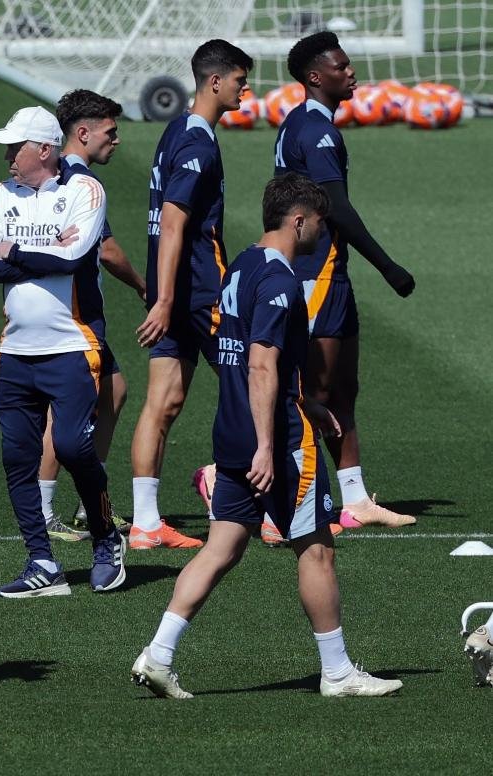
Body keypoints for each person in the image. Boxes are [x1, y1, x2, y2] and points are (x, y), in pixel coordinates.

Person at [130, 174, 402, 699]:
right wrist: (267, 443)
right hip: (274, 439)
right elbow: (260, 365)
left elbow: (239, 353)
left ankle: (157, 654)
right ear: (298, 220)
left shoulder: (241, 267)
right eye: (320, 224)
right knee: (317, 549)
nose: (323, 234)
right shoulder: (279, 281)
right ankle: (338, 672)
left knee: (222, 546)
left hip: (232, 429)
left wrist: (310, 403)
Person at [0, 106, 126, 597]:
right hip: (15, 350)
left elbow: (76, 258)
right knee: (18, 456)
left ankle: (106, 538)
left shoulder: (84, 191)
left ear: (43, 149)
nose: (5, 156)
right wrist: (43, 260)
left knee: (72, 447)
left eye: (13, 147)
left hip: (70, 346)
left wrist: (14, 253)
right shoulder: (1, 194)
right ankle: (42, 561)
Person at [273, 31, 416, 528]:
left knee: (342, 389)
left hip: (333, 274)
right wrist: (389, 266)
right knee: (312, 390)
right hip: (316, 274)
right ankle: (273, 496)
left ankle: (353, 501)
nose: (351, 72)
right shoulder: (315, 132)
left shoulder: (311, 125)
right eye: (342, 66)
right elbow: (335, 208)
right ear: (316, 76)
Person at [129, 39, 253, 551]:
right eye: (241, 81)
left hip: (174, 290)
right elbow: (176, 223)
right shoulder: (200, 144)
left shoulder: (175, 130)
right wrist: (164, 299)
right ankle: (233, 489)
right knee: (253, 385)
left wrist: (162, 293)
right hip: (200, 292)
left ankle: (144, 523)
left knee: (164, 401)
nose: (246, 89)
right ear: (215, 81)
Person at [37, 89, 147, 539]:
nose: (116, 140)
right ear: (83, 132)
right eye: (110, 132)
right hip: (75, 314)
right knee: (64, 413)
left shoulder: (55, 175)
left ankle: (90, 501)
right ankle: (44, 515)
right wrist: (145, 286)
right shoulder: (81, 183)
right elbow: (106, 249)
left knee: (113, 391)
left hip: (73, 310)